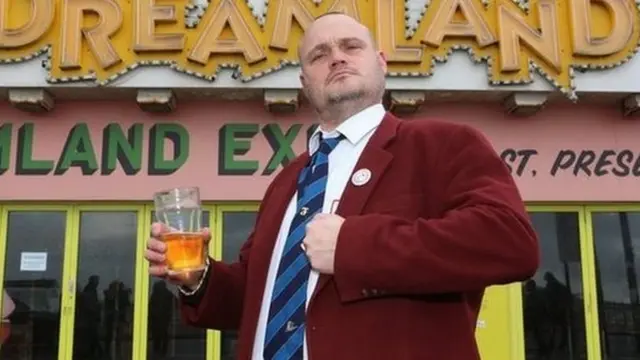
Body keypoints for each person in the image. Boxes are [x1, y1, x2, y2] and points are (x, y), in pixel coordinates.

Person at [145, 12, 540, 360]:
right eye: (319, 55)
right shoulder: (286, 181)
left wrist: (352, 246)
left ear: (381, 63)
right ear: (305, 82)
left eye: (351, 46)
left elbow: (511, 243)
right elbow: (257, 298)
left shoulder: (443, 144)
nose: (336, 57)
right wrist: (199, 279)